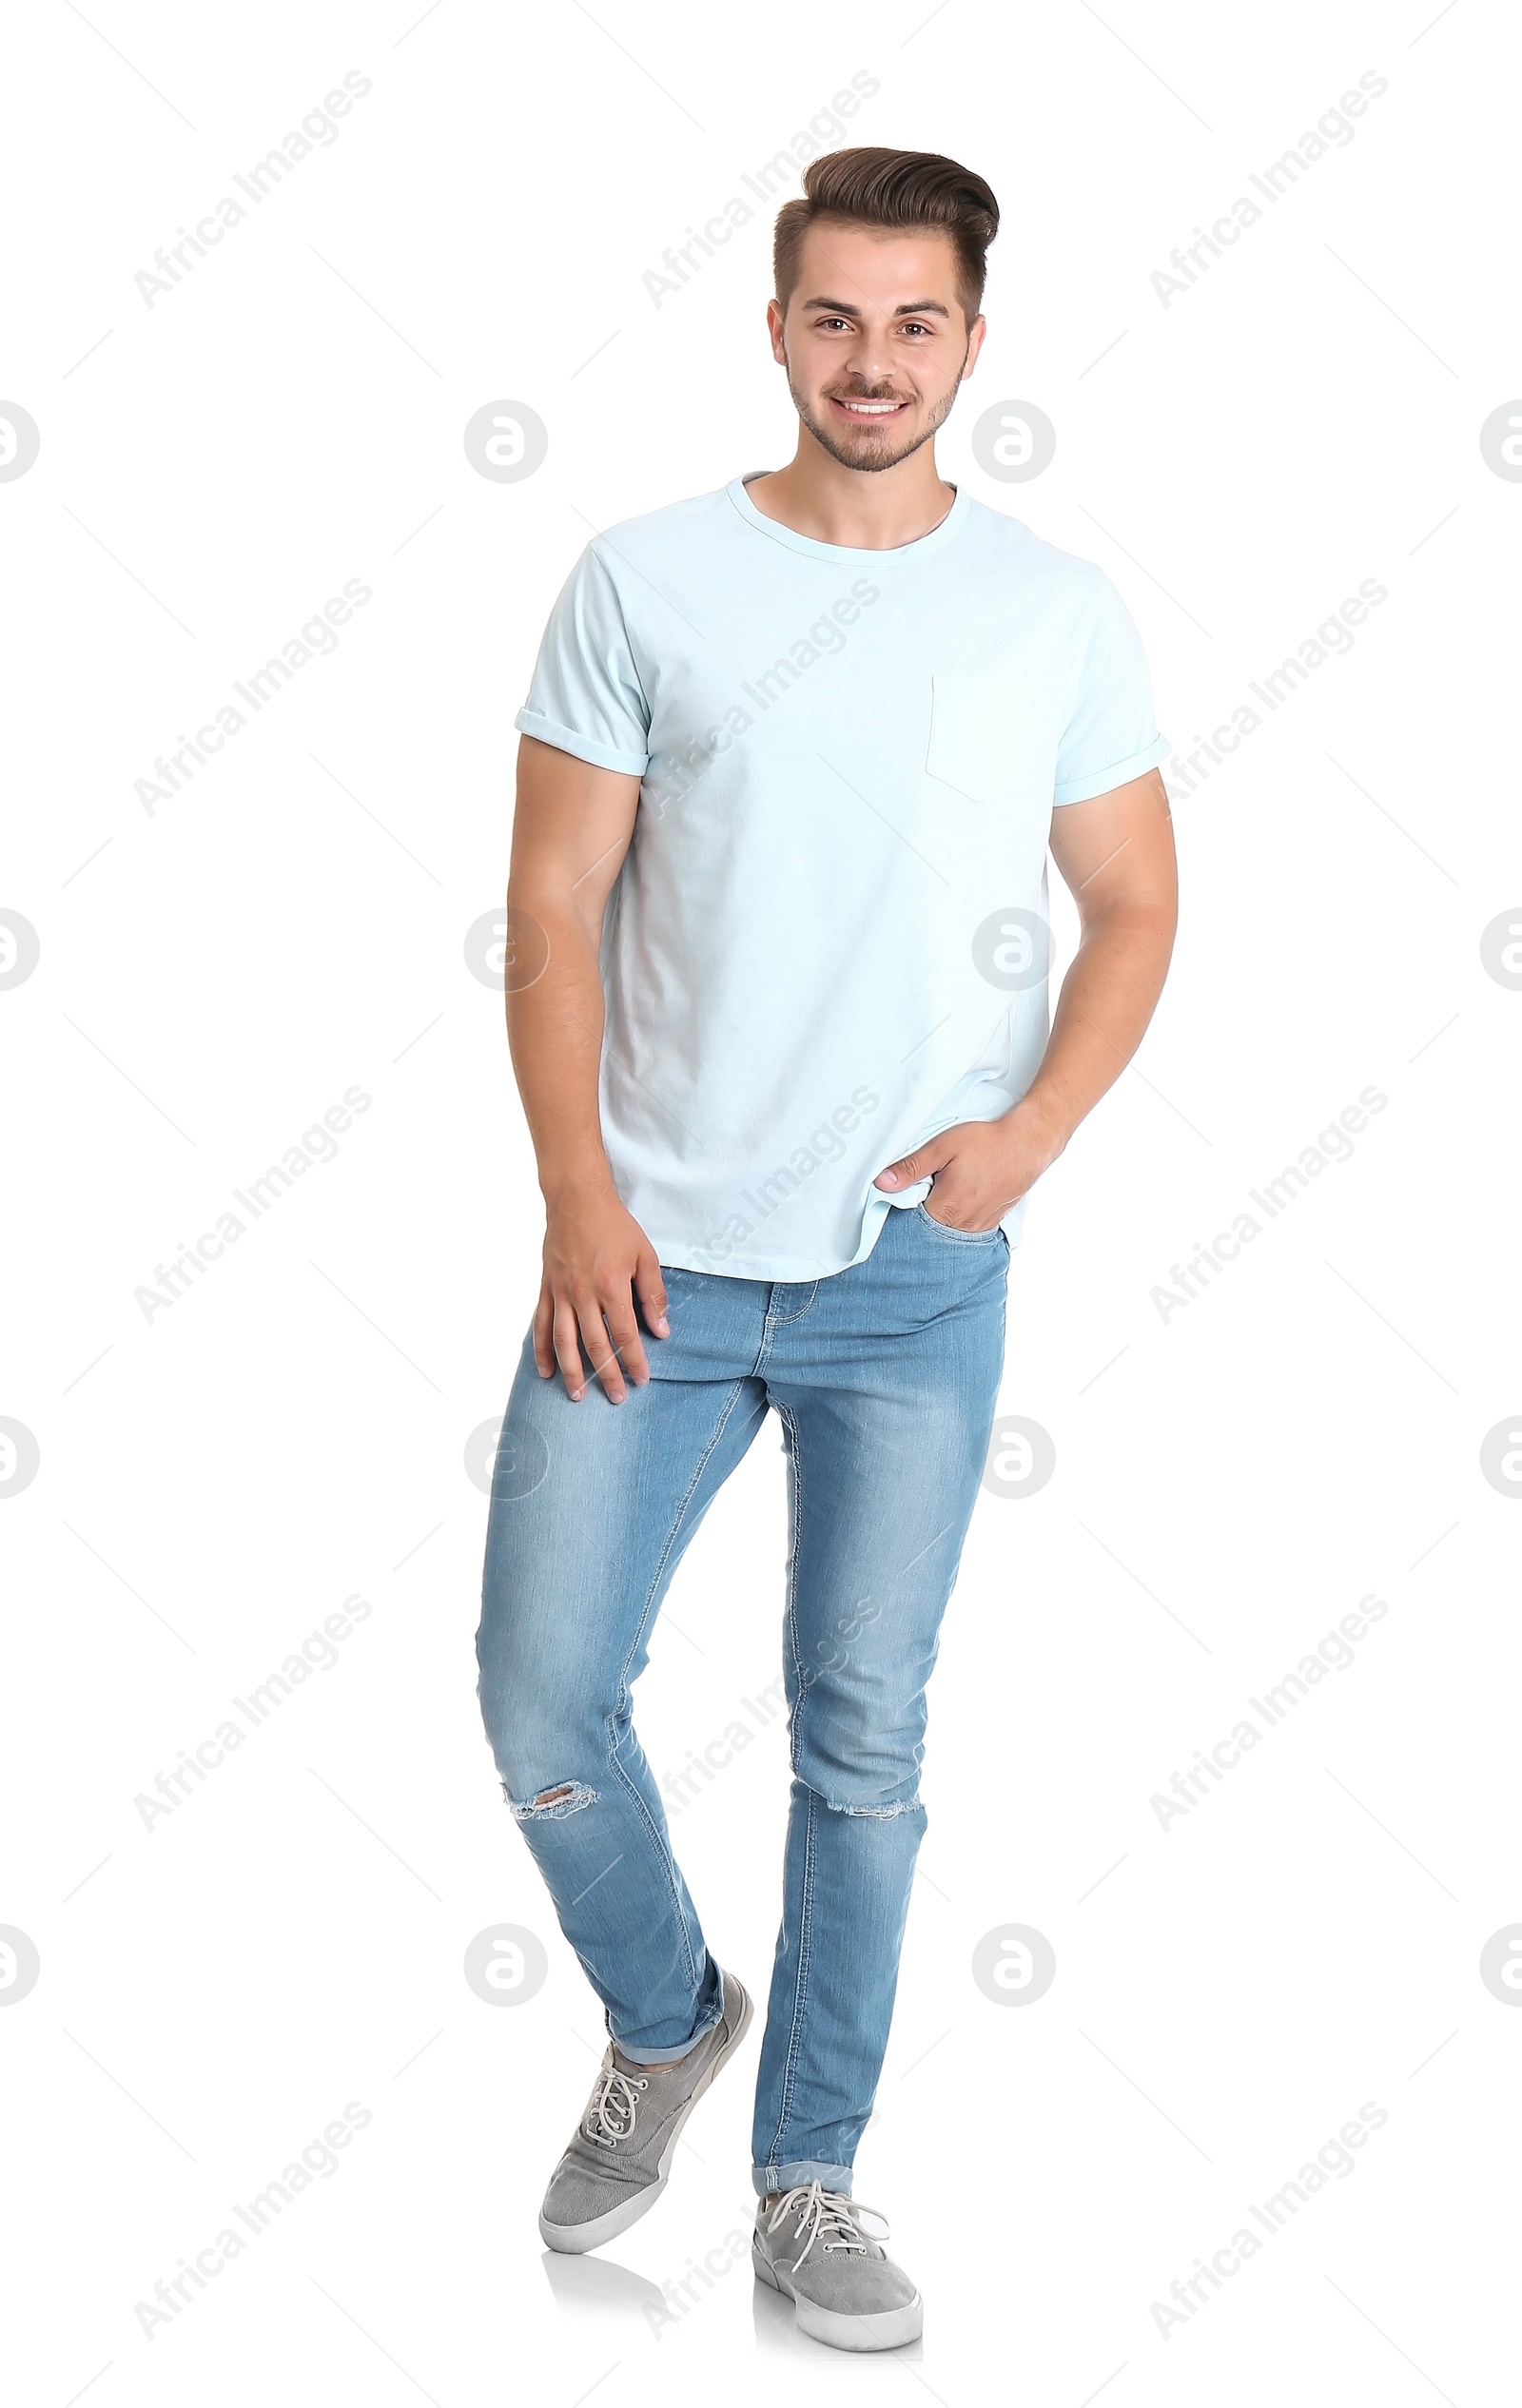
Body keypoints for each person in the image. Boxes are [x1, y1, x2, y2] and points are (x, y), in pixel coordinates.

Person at [476, 145, 1178, 2354]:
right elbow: (553, 913)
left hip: (909, 1273)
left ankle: (806, 2178)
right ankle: (665, 2012)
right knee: (538, 1693)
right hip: (652, 1262)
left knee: (857, 1736)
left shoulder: (1050, 607)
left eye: (914, 322)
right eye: (832, 317)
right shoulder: (643, 578)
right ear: (772, 327)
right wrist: (578, 1198)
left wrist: (1030, 1135)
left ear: (973, 339)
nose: (870, 361)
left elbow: (1136, 906)